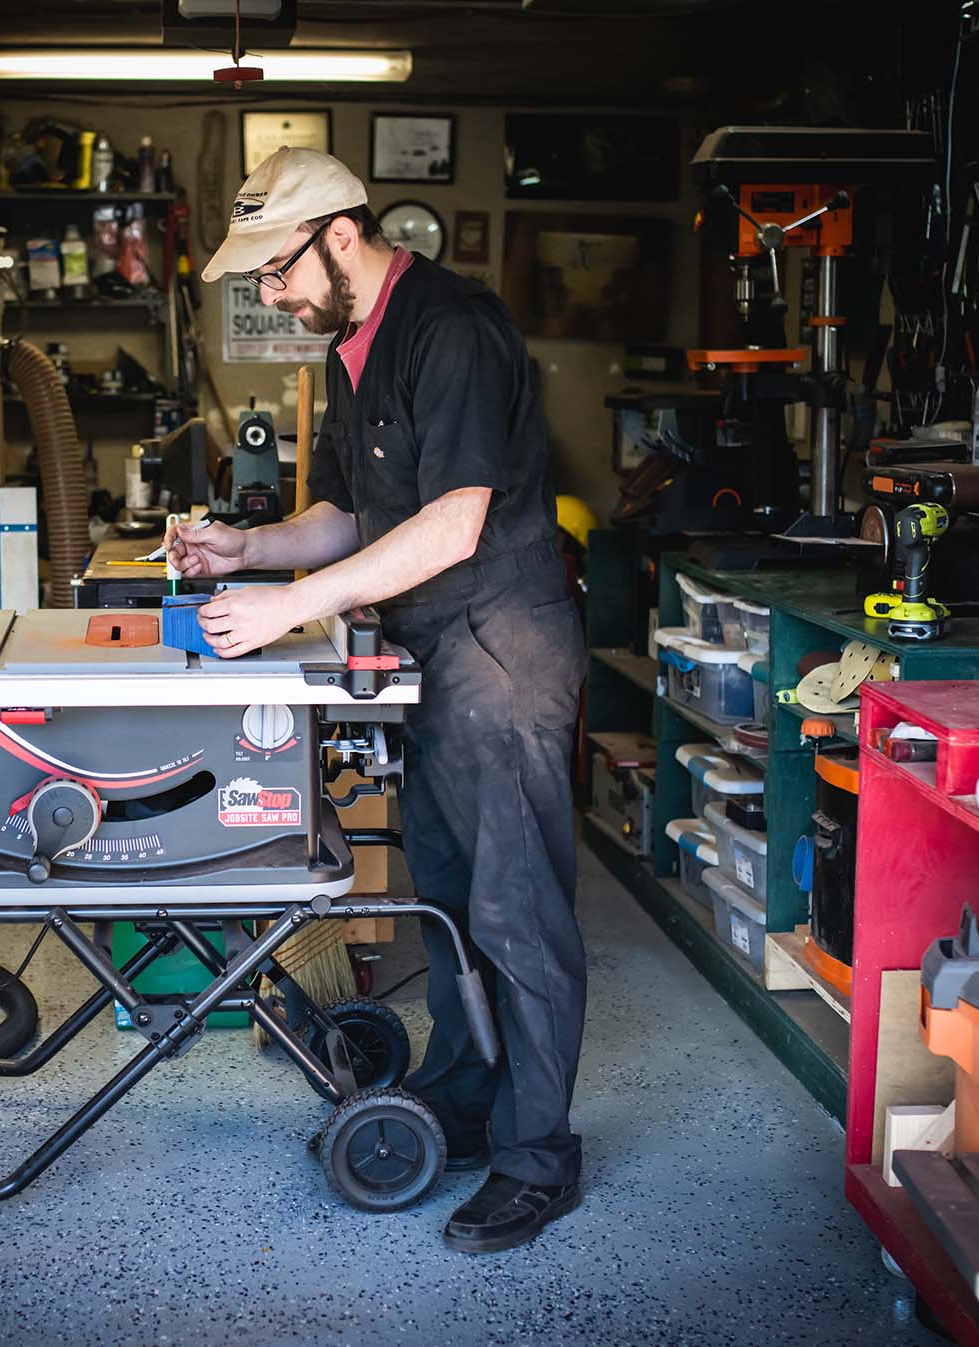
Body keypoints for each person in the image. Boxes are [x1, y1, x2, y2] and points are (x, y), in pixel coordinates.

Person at [171, 147, 589, 1253]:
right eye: (258, 279)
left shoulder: (450, 329)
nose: (270, 294)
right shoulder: (351, 347)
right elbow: (354, 516)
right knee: (446, 899)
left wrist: (289, 607)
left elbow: (451, 524)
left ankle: (539, 1158)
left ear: (340, 236)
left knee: (515, 911)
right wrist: (246, 551)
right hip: (428, 650)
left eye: (276, 273)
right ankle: (460, 1101)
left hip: (499, 648)